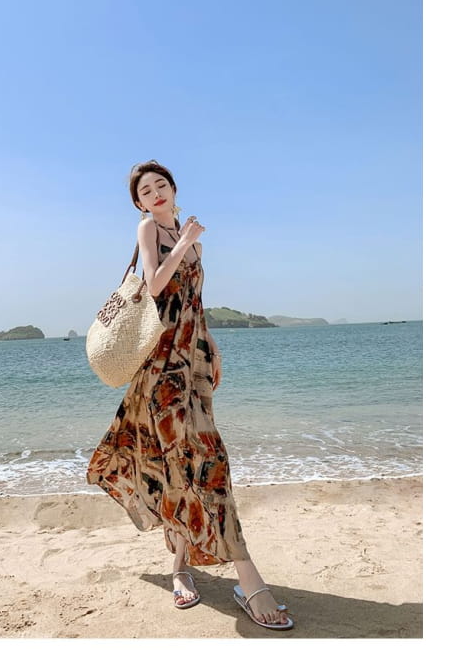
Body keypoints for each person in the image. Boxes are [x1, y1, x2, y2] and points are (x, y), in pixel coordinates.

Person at [86, 160, 293, 630]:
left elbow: (194, 302)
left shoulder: (188, 234)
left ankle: (180, 566)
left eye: (161, 185)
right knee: (205, 461)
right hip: (162, 368)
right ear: (138, 203)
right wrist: (182, 243)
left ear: (175, 189)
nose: (155, 193)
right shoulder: (150, 230)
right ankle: (247, 579)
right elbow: (155, 285)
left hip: (193, 360)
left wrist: (212, 345)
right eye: (145, 191)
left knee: (187, 463)